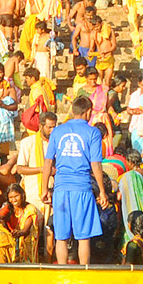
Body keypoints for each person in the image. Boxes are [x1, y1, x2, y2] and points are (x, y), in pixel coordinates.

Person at [40, 96, 108, 265]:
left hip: (61, 189)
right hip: (82, 189)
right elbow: (96, 164)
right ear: (89, 112)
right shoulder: (92, 132)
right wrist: (102, 190)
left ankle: (62, 272)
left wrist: (44, 189)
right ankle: (84, 274)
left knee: (61, 237)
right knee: (83, 238)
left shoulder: (57, 131)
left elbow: (48, 162)